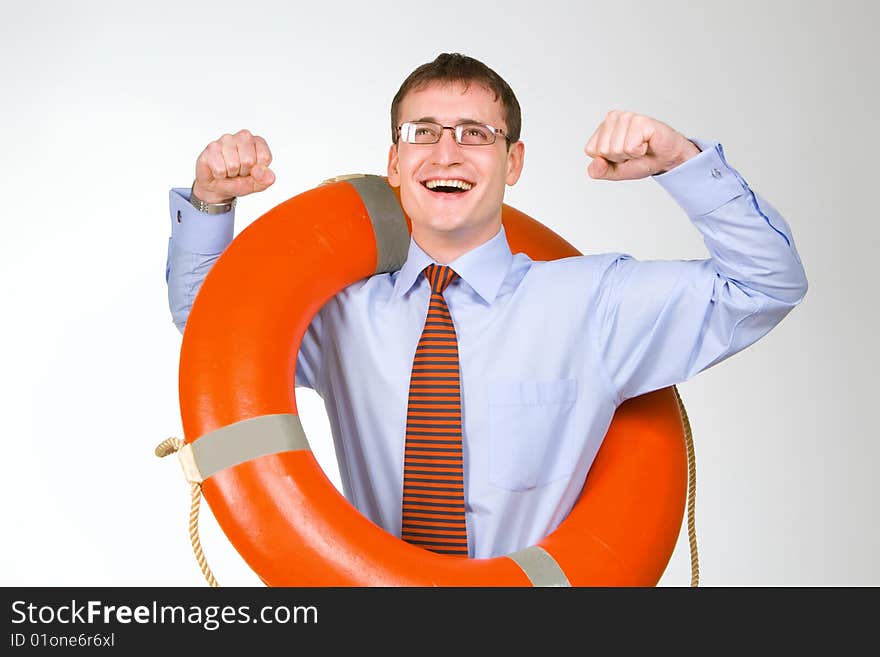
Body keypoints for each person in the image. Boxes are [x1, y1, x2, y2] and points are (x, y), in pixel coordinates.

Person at [166, 52, 808, 559]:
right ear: (394, 161)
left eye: (475, 134)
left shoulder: (594, 303)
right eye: (423, 133)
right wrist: (210, 205)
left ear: (514, 161)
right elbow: (212, 332)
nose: (446, 153)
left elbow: (765, 285)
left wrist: (682, 163)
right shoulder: (343, 316)